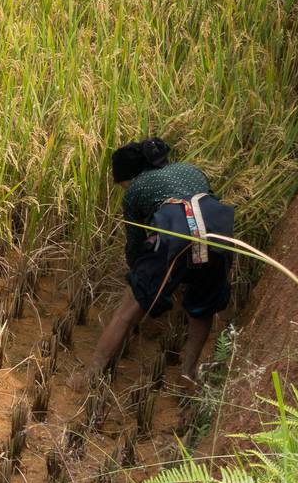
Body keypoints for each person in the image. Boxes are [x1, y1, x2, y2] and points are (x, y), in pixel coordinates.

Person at [86, 138, 235, 386]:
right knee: (202, 308)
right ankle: (188, 373)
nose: (123, 188)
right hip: (215, 233)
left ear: (128, 178)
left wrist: (140, 284)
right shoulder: (189, 170)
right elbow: (200, 214)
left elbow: (135, 245)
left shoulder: (135, 190)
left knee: (126, 313)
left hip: (174, 229)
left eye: (121, 184)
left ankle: (91, 373)